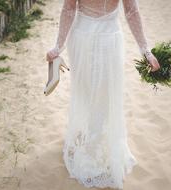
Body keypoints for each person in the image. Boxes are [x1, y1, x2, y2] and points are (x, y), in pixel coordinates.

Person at [46, 0, 160, 189]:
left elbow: (69, 9)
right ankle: (92, 142)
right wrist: (145, 50)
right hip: (109, 39)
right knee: (103, 96)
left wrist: (58, 47)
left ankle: (91, 142)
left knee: (86, 91)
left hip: (84, 36)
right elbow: (131, 11)